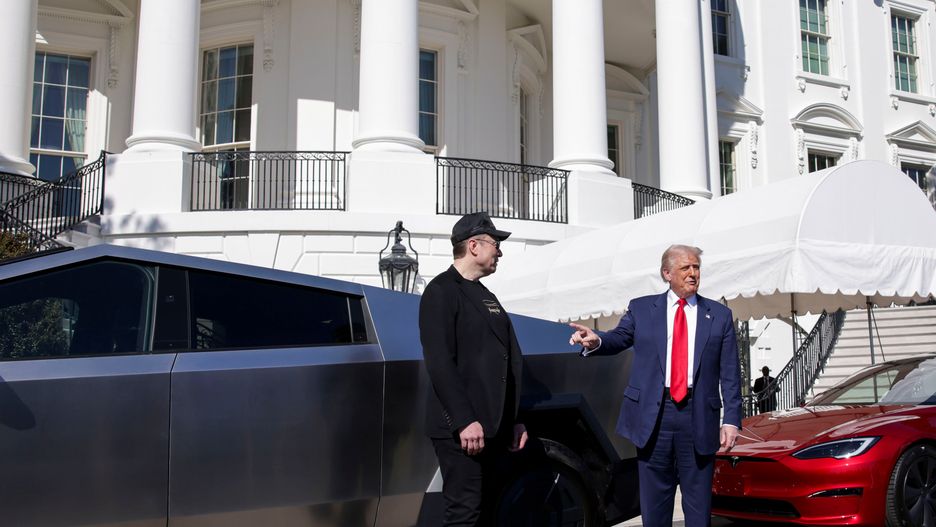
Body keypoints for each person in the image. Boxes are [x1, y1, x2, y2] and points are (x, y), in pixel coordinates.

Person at [569, 244, 742, 527]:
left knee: (698, 506)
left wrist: (732, 420)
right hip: (653, 416)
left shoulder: (719, 315)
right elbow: (619, 338)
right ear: (667, 273)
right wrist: (597, 340)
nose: (693, 273)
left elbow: (731, 372)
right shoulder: (642, 308)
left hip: (698, 415)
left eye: (696, 267)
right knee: (655, 505)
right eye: (685, 267)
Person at [420, 211, 528, 526]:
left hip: (494, 427)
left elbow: (507, 358)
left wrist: (515, 419)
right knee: (464, 514)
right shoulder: (441, 290)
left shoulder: (485, 295)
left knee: (490, 511)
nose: (500, 252)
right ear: (474, 245)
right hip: (463, 430)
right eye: (496, 244)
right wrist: (464, 419)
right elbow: (439, 361)